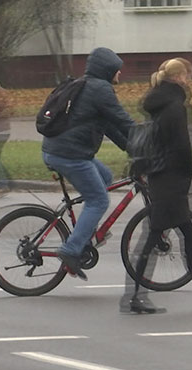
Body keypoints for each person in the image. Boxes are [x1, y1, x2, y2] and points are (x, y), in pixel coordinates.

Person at [128, 58, 192, 313]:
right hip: (171, 179)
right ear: (178, 77)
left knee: (187, 233)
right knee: (155, 236)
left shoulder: (159, 102)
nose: (189, 81)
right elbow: (181, 146)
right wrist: (188, 172)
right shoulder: (175, 106)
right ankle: (134, 297)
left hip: (161, 176)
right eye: (187, 76)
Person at [41, 47, 135, 280]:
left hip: (62, 150)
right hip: (70, 155)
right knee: (99, 199)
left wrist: (134, 147)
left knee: (105, 178)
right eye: (117, 70)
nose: (119, 74)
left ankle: (84, 234)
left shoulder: (88, 85)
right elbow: (124, 122)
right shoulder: (101, 89)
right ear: (108, 69)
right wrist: (150, 137)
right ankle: (71, 249)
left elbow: (112, 127)